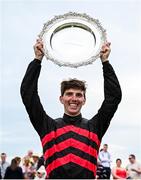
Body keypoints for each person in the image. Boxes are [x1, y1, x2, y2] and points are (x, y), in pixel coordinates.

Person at [20, 39, 122, 179]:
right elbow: (28, 94)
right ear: (61, 99)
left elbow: (114, 97)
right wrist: (37, 59)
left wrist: (105, 62)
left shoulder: (95, 127)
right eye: (69, 94)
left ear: (84, 100)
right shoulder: (48, 126)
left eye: (79, 95)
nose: (74, 98)